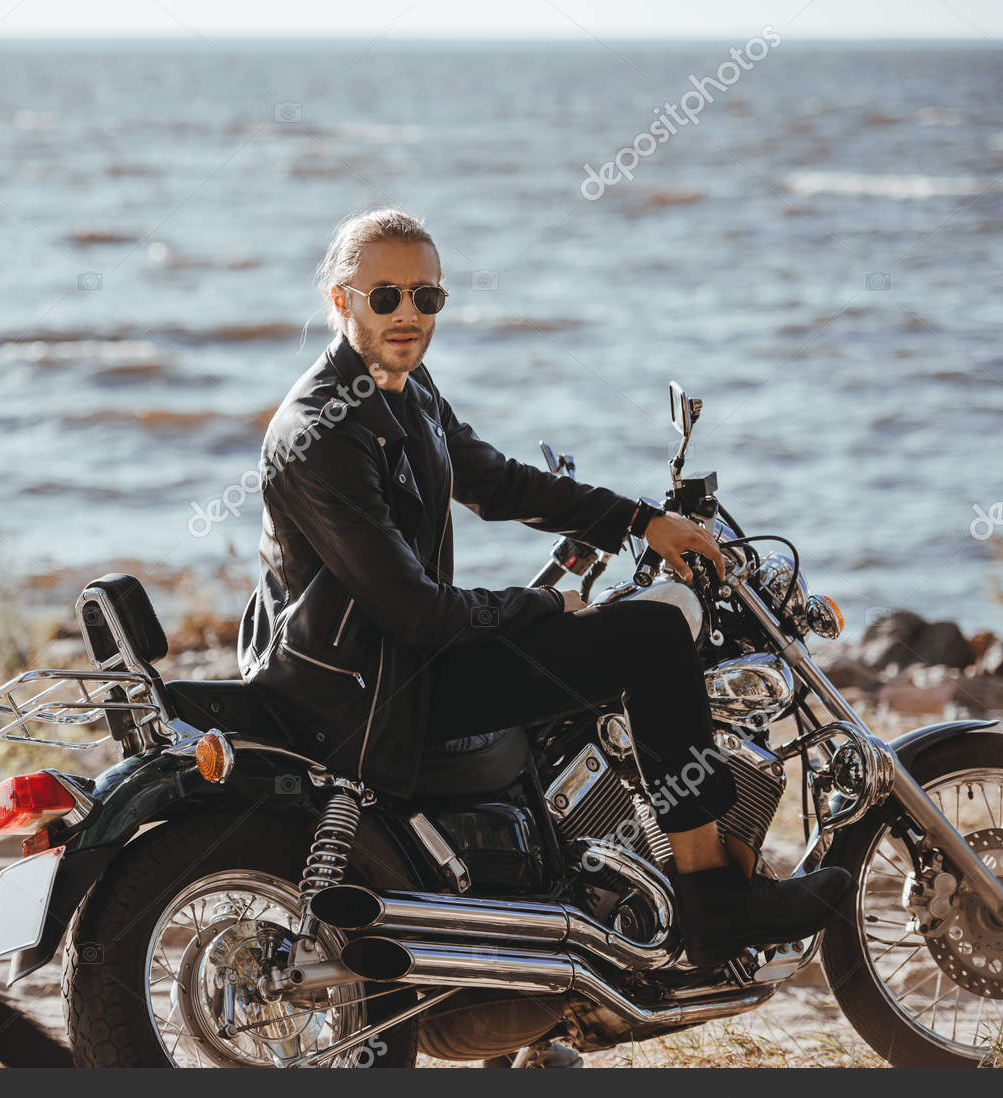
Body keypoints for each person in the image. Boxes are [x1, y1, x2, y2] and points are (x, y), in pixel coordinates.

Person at [238, 207, 853, 968]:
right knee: (654, 638)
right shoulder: (321, 431)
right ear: (341, 301)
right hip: (375, 692)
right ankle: (715, 901)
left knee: (590, 658)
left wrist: (640, 520)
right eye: (385, 296)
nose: (408, 315)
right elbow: (418, 612)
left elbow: (495, 481)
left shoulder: (405, 388)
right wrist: (541, 605)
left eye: (427, 298)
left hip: (394, 662)